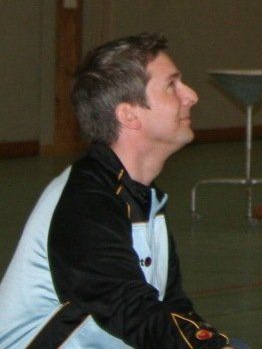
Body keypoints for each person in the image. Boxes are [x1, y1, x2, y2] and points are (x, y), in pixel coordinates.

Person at [0, 34, 243, 349]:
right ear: (129, 114)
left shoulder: (143, 198)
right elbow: (133, 313)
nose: (191, 96)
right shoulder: (86, 203)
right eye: (172, 85)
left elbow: (172, 309)